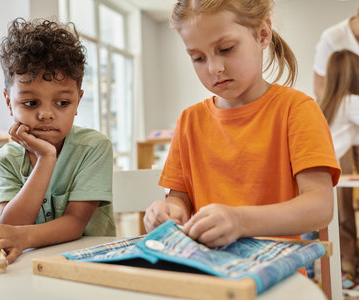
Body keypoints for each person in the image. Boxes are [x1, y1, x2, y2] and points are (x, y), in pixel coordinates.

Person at [144, 0, 340, 253]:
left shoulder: (297, 109)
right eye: (198, 58)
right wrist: (170, 212)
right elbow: (180, 198)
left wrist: (240, 221)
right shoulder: (189, 121)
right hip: (206, 268)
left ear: (262, 34)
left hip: (275, 272)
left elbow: (319, 208)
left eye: (226, 49)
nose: (215, 68)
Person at [0, 18, 116, 264]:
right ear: (8, 101)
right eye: (31, 103)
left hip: (91, 263)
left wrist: (46, 156)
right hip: (31, 266)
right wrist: (46, 159)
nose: (46, 114)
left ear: (77, 101)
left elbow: (75, 223)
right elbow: (11, 225)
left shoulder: (94, 147)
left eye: (62, 103)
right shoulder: (4, 160)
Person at [319, 50, 359, 290]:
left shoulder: (328, 104)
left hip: (323, 169)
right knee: (345, 220)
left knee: (334, 224)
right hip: (338, 169)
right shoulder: (352, 102)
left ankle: (343, 272)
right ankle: (349, 272)